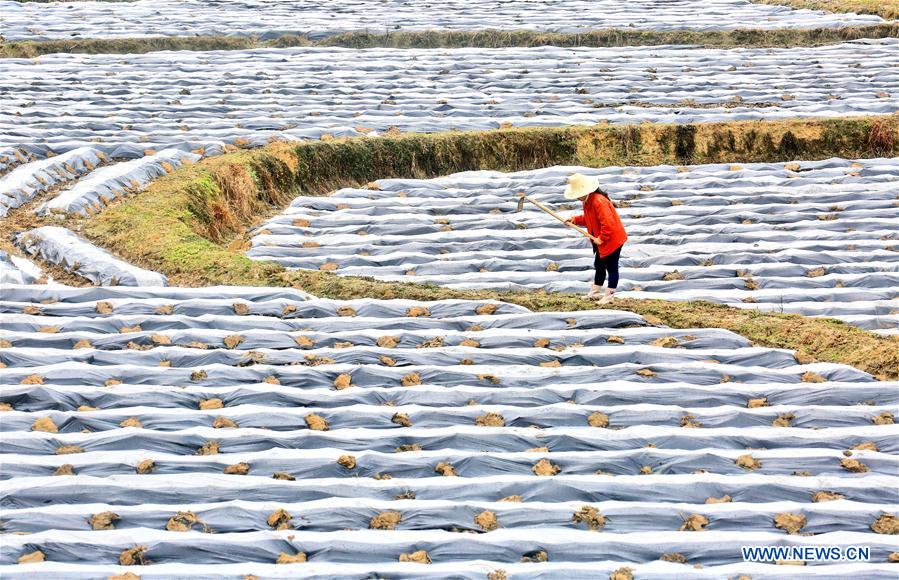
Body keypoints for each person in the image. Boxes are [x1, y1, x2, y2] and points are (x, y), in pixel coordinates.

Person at [562, 173, 627, 303]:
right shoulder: (587, 201)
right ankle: (595, 292)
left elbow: (608, 224)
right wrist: (574, 220)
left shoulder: (599, 201)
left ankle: (609, 296)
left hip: (612, 239)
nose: (576, 197)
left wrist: (601, 238)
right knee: (599, 265)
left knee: (611, 267)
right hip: (601, 239)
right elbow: (589, 219)